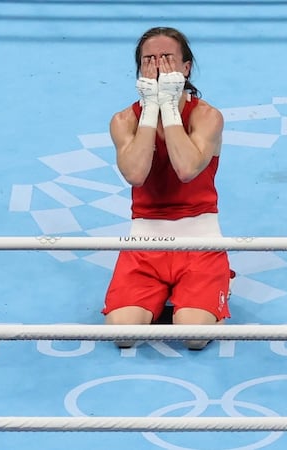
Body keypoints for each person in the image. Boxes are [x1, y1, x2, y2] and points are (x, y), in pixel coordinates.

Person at [101, 26, 232, 351]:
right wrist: (151, 109)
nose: (158, 67)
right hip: (144, 247)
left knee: (193, 336)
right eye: (150, 60)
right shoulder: (123, 121)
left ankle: (215, 284)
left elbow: (187, 169)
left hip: (200, 245)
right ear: (140, 70)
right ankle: (157, 295)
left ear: (185, 68)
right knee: (123, 335)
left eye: (167, 58)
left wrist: (170, 107)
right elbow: (135, 174)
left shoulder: (206, 117)